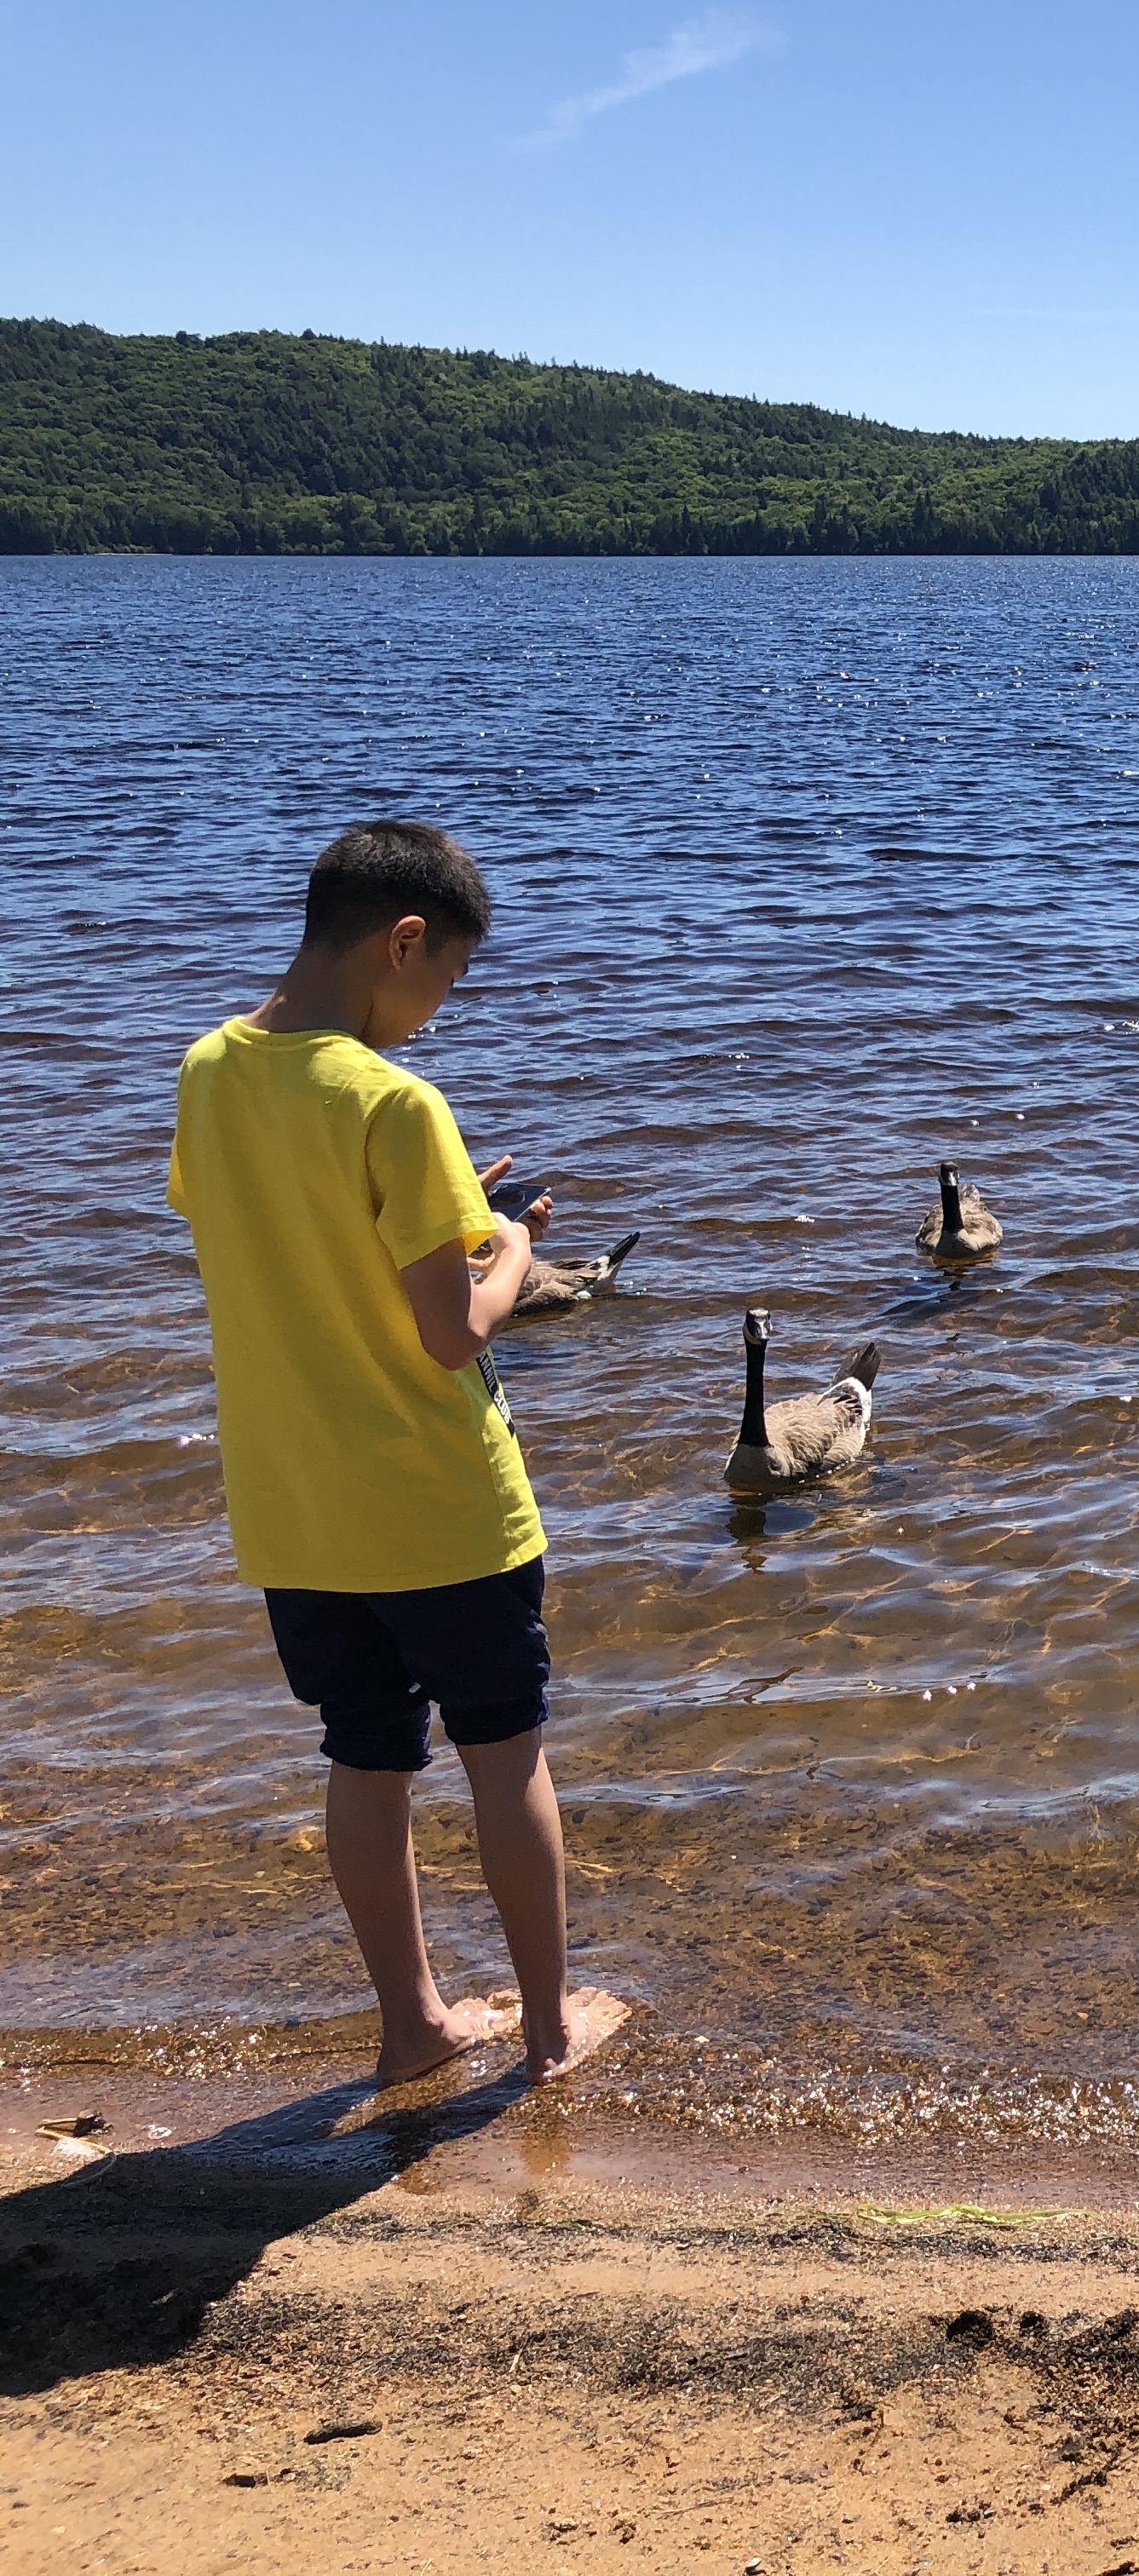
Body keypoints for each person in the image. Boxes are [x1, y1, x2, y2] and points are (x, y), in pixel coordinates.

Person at [166, 821, 627, 2089]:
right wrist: (510, 1253)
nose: (439, 1010)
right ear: (403, 941)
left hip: (297, 1511)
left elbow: (276, 1232)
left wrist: (438, 1215)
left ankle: (413, 2024)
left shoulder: (209, 1067)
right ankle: (545, 2035)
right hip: (438, 1511)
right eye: (448, 981)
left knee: (365, 1758)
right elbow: (446, 1336)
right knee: (505, 1754)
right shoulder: (395, 1099)